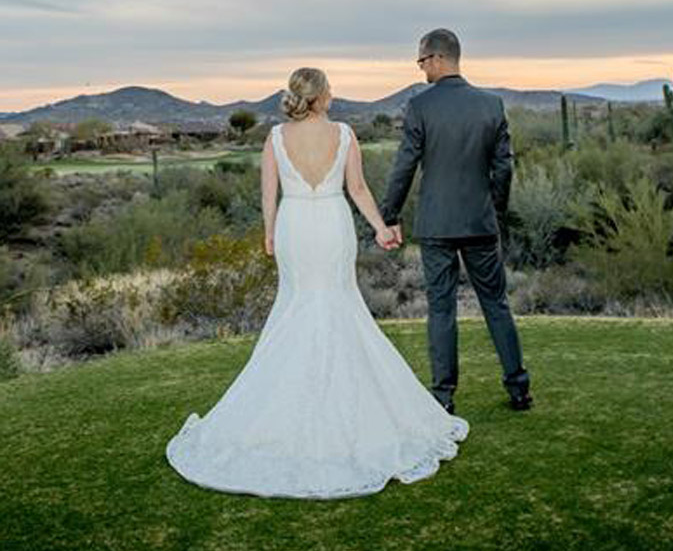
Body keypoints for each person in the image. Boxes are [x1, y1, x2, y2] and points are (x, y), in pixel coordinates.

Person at [166, 66, 468, 499]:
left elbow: (268, 196)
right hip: (330, 223)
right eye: (330, 89)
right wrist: (381, 228)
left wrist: (270, 235)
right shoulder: (344, 134)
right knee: (335, 305)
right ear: (322, 96)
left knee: (298, 306)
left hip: (294, 227)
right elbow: (359, 189)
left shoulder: (274, 138)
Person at [380, 29, 532, 413]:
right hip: (480, 222)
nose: (421, 70)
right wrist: (495, 211)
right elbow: (504, 169)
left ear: (437, 58)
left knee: (442, 308)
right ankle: (519, 389)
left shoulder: (420, 107)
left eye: (421, 62)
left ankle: (443, 398)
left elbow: (405, 166)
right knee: (496, 304)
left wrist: (389, 215)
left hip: (436, 224)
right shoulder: (491, 105)